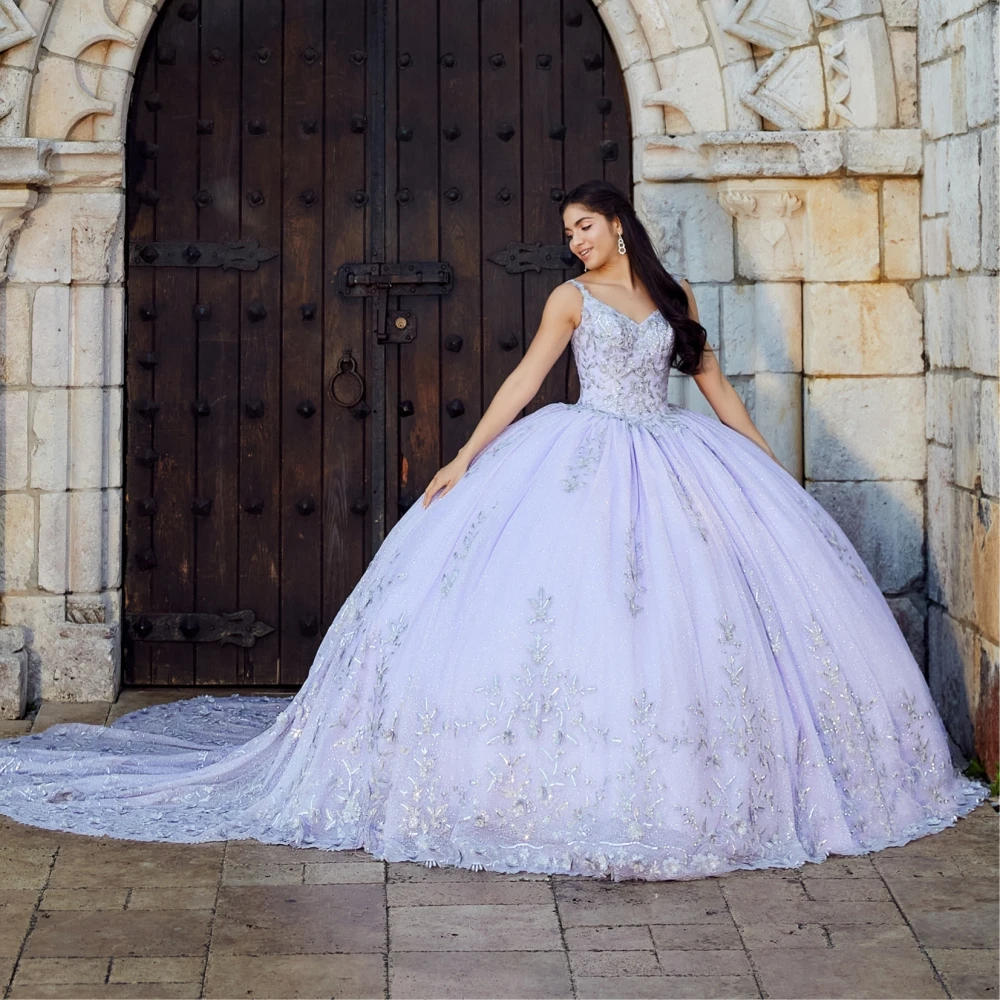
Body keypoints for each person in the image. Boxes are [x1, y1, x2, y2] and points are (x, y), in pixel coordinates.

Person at [0, 180, 985, 881]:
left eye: (586, 225)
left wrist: (770, 473)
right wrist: (466, 456)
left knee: (684, 624)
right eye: (567, 229)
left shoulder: (672, 301)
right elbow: (523, 379)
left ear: (620, 226)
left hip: (676, 460)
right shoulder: (570, 299)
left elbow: (716, 389)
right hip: (582, 456)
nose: (575, 240)